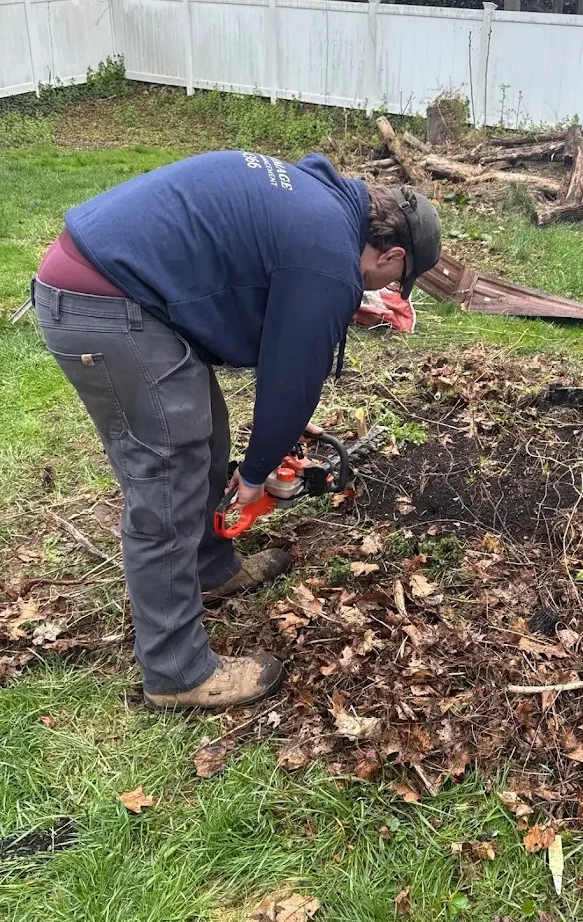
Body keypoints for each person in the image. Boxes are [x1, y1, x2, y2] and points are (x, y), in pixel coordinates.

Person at [34, 150, 441, 710]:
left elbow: (269, 280)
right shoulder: (326, 255)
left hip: (122, 285)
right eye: (399, 278)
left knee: (206, 433)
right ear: (392, 254)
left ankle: (209, 566)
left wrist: (335, 301)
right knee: (168, 478)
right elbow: (292, 377)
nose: (390, 285)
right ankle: (176, 673)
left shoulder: (322, 201)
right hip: (104, 303)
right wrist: (255, 476)